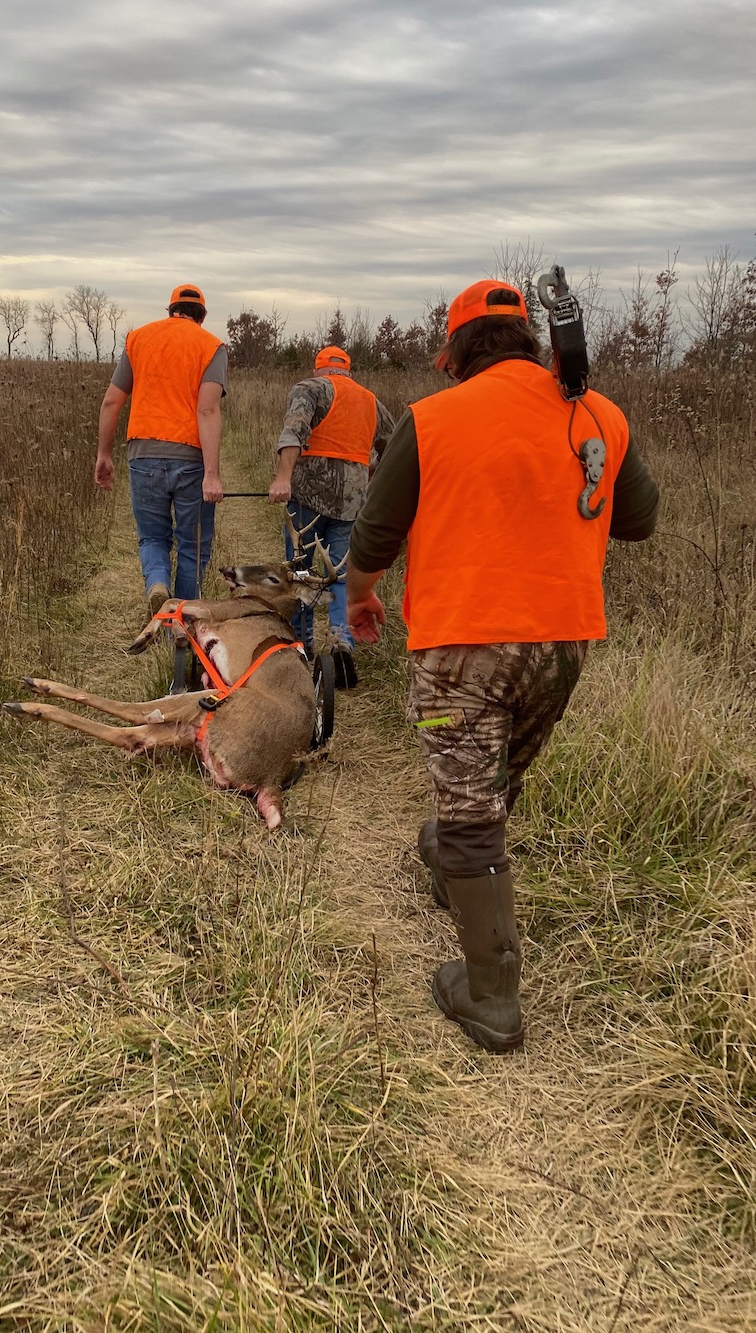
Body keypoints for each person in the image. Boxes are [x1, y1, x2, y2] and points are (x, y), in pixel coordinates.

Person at [345, 280, 659, 1053]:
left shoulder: (433, 417)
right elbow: (641, 521)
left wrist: (361, 597)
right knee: (487, 786)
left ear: (454, 353)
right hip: (561, 648)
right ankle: (447, 852)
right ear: (529, 339)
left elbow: (376, 534)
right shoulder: (598, 412)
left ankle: (491, 998)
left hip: (462, 651)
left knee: (473, 817)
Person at [96, 283, 227, 614]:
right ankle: (182, 620)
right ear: (202, 316)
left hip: (143, 456)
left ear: (171, 310)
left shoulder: (138, 339)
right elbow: (208, 410)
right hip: (191, 461)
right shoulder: (211, 346)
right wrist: (211, 475)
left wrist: (104, 454)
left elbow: (112, 401)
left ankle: (157, 582)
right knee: (192, 546)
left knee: (153, 538)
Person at [268, 345, 394, 688]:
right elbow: (392, 449)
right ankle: (341, 643)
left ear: (319, 369)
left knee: (302, 572)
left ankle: (302, 649)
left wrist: (282, 479)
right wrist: (370, 475)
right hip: (353, 501)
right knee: (340, 575)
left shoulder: (309, 389)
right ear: (347, 371)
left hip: (308, 493)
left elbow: (293, 432)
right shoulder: (371, 401)